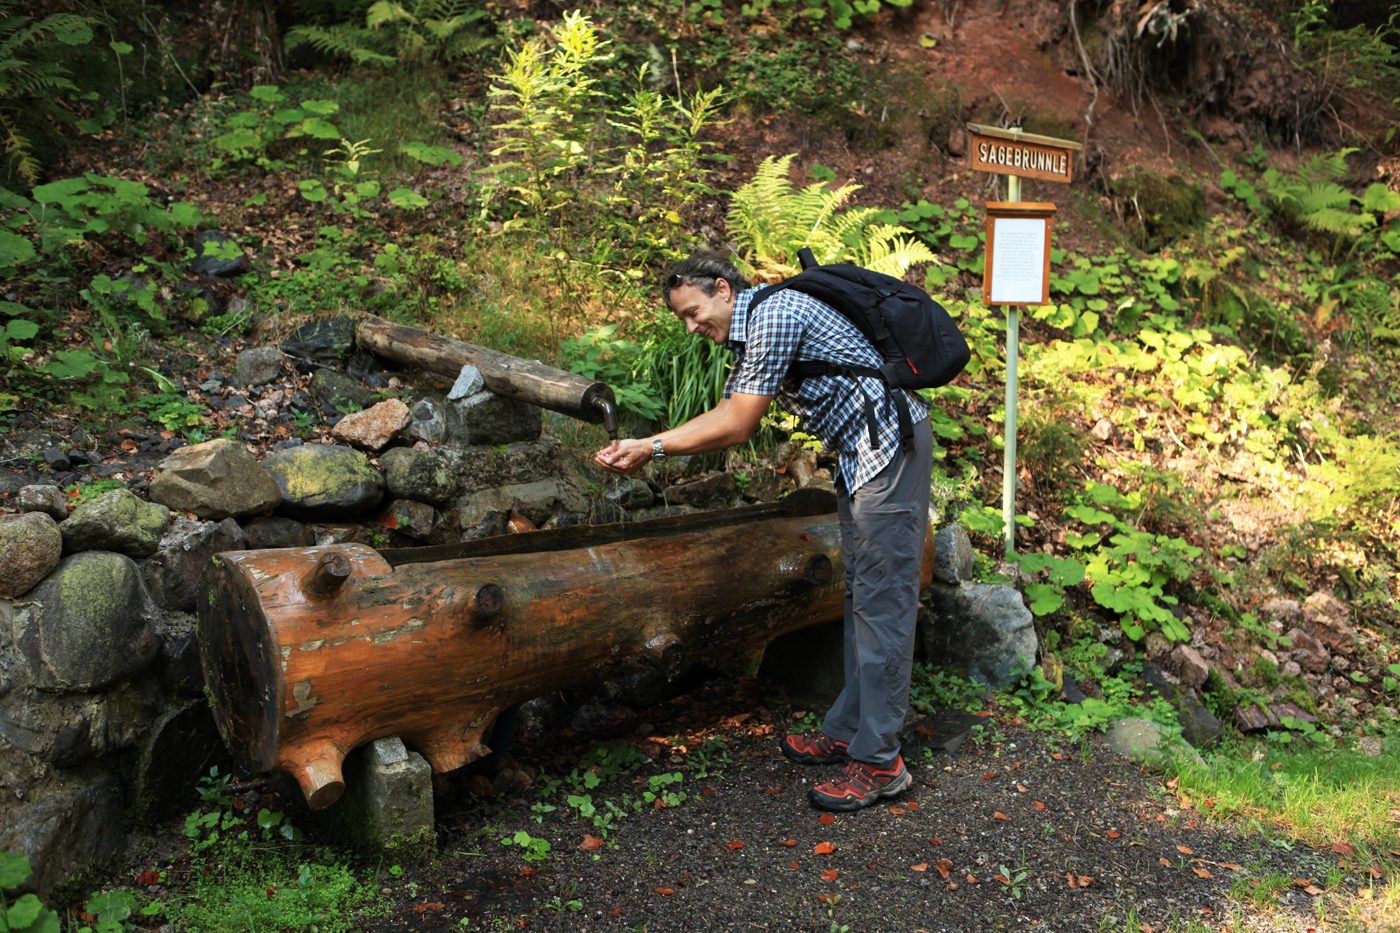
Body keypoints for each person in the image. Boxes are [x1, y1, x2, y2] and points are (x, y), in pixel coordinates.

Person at [595, 252, 933, 812]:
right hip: (865, 456)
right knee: (863, 597)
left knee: (883, 603)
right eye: (682, 317)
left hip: (888, 449)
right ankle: (851, 729)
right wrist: (647, 444)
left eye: (694, 311)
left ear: (724, 290)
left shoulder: (774, 316)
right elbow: (728, 406)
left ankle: (880, 763)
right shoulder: (753, 329)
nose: (692, 326)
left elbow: (737, 424)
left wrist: (651, 448)